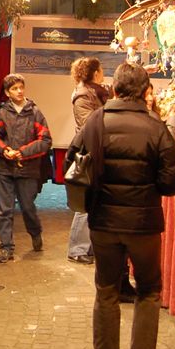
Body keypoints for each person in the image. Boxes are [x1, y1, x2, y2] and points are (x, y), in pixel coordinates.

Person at [67, 63, 175, 349]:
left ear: (116, 89)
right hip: (144, 225)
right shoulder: (155, 127)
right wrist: (153, 189)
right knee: (148, 292)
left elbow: (72, 161)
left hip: (104, 222)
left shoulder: (96, 120)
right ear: (145, 91)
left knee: (106, 292)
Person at [0, 73, 52, 263]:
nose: (19, 91)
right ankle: (6, 248)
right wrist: (4, 150)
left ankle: (35, 233)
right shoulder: (2, 113)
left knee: (27, 207)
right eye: (15, 88)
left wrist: (22, 152)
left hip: (28, 169)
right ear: (8, 92)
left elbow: (46, 140)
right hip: (5, 169)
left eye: (21, 87)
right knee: (4, 211)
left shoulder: (35, 113)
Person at [67, 57, 109, 266]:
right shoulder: (83, 95)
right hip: (87, 153)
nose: (103, 73)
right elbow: (89, 124)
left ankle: (87, 247)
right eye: (101, 70)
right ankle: (77, 249)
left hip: (95, 151)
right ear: (94, 73)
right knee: (84, 204)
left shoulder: (96, 91)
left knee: (92, 202)